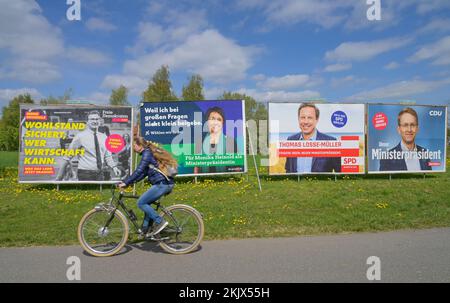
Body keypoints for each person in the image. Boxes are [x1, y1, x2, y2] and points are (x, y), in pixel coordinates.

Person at [118, 136, 177, 237]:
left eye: (134, 145)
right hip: (164, 183)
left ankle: (160, 222)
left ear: (140, 145)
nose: (133, 148)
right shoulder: (148, 153)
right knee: (147, 203)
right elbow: (143, 173)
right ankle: (146, 229)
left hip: (161, 184)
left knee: (141, 202)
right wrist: (130, 182)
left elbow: (139, 170)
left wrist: (126, 182)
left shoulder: (147, 154)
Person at [56, 110, 121, 181]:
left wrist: (114, 167)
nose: (95, 121)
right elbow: (67, 157)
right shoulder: (80, 136)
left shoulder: (104, 137)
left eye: (97, 119)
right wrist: (59, 177)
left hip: (100, 173)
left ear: (99, 121)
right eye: (92, 119)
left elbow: (108, 156)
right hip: (85, 173)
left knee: (99, 192)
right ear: (87, 122)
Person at [285, 103, 341, 173]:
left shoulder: (331, 142)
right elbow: (288, 170)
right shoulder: (291, 140)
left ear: (316, 120)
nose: (305, 122)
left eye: (310, 118)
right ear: (298, 119)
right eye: (302, 117)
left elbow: (339, 173)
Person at [196, 106, 240, 173]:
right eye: (212, 119)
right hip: (203, 180)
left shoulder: (230, 142)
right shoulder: (200, 142)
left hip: (225, 180)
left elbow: (237, 166)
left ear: (222, 123)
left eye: (219, 120)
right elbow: (196, 165)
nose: (215, 122)